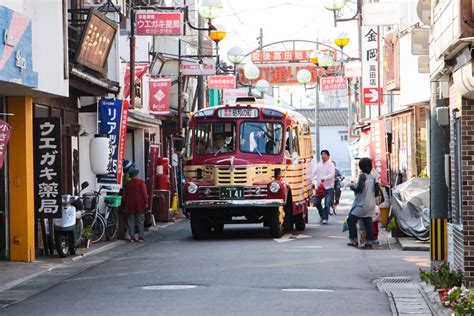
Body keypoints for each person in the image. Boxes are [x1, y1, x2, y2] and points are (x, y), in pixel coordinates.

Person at [346, 157, 376, 249]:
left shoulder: (362, 176)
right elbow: (377, 191)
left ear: (361, 166)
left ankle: (354, 240)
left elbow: (359, 189)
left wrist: (351, 186)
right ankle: (369, 242)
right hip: (371, 203)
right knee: (368, 222)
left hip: (361, 204)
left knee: (351, 220)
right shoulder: (373, 176)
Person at [123, 167, 148, 243]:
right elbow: (144, 194)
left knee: (131, 221)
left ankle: (132, 237)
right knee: (140, 221)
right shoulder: (141, 183)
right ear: (136, 174)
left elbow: (124, 196)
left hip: (130, 205)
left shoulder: (127, 184)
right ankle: (140, 237)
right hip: (140, 204)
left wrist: (124, 205)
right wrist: (146, 203)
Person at [313, 150, 335, 224]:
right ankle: (322, 215)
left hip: (329, 187)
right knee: (317, 202)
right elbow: (313, 173)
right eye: (322, 154)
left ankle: (325, 218)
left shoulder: (331, 164)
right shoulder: (318, 165)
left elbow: (332, 174)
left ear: (328, 156)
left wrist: (325, 178)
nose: (323, 156)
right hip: (320, 188)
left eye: (325, 154)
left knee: (327, 203)